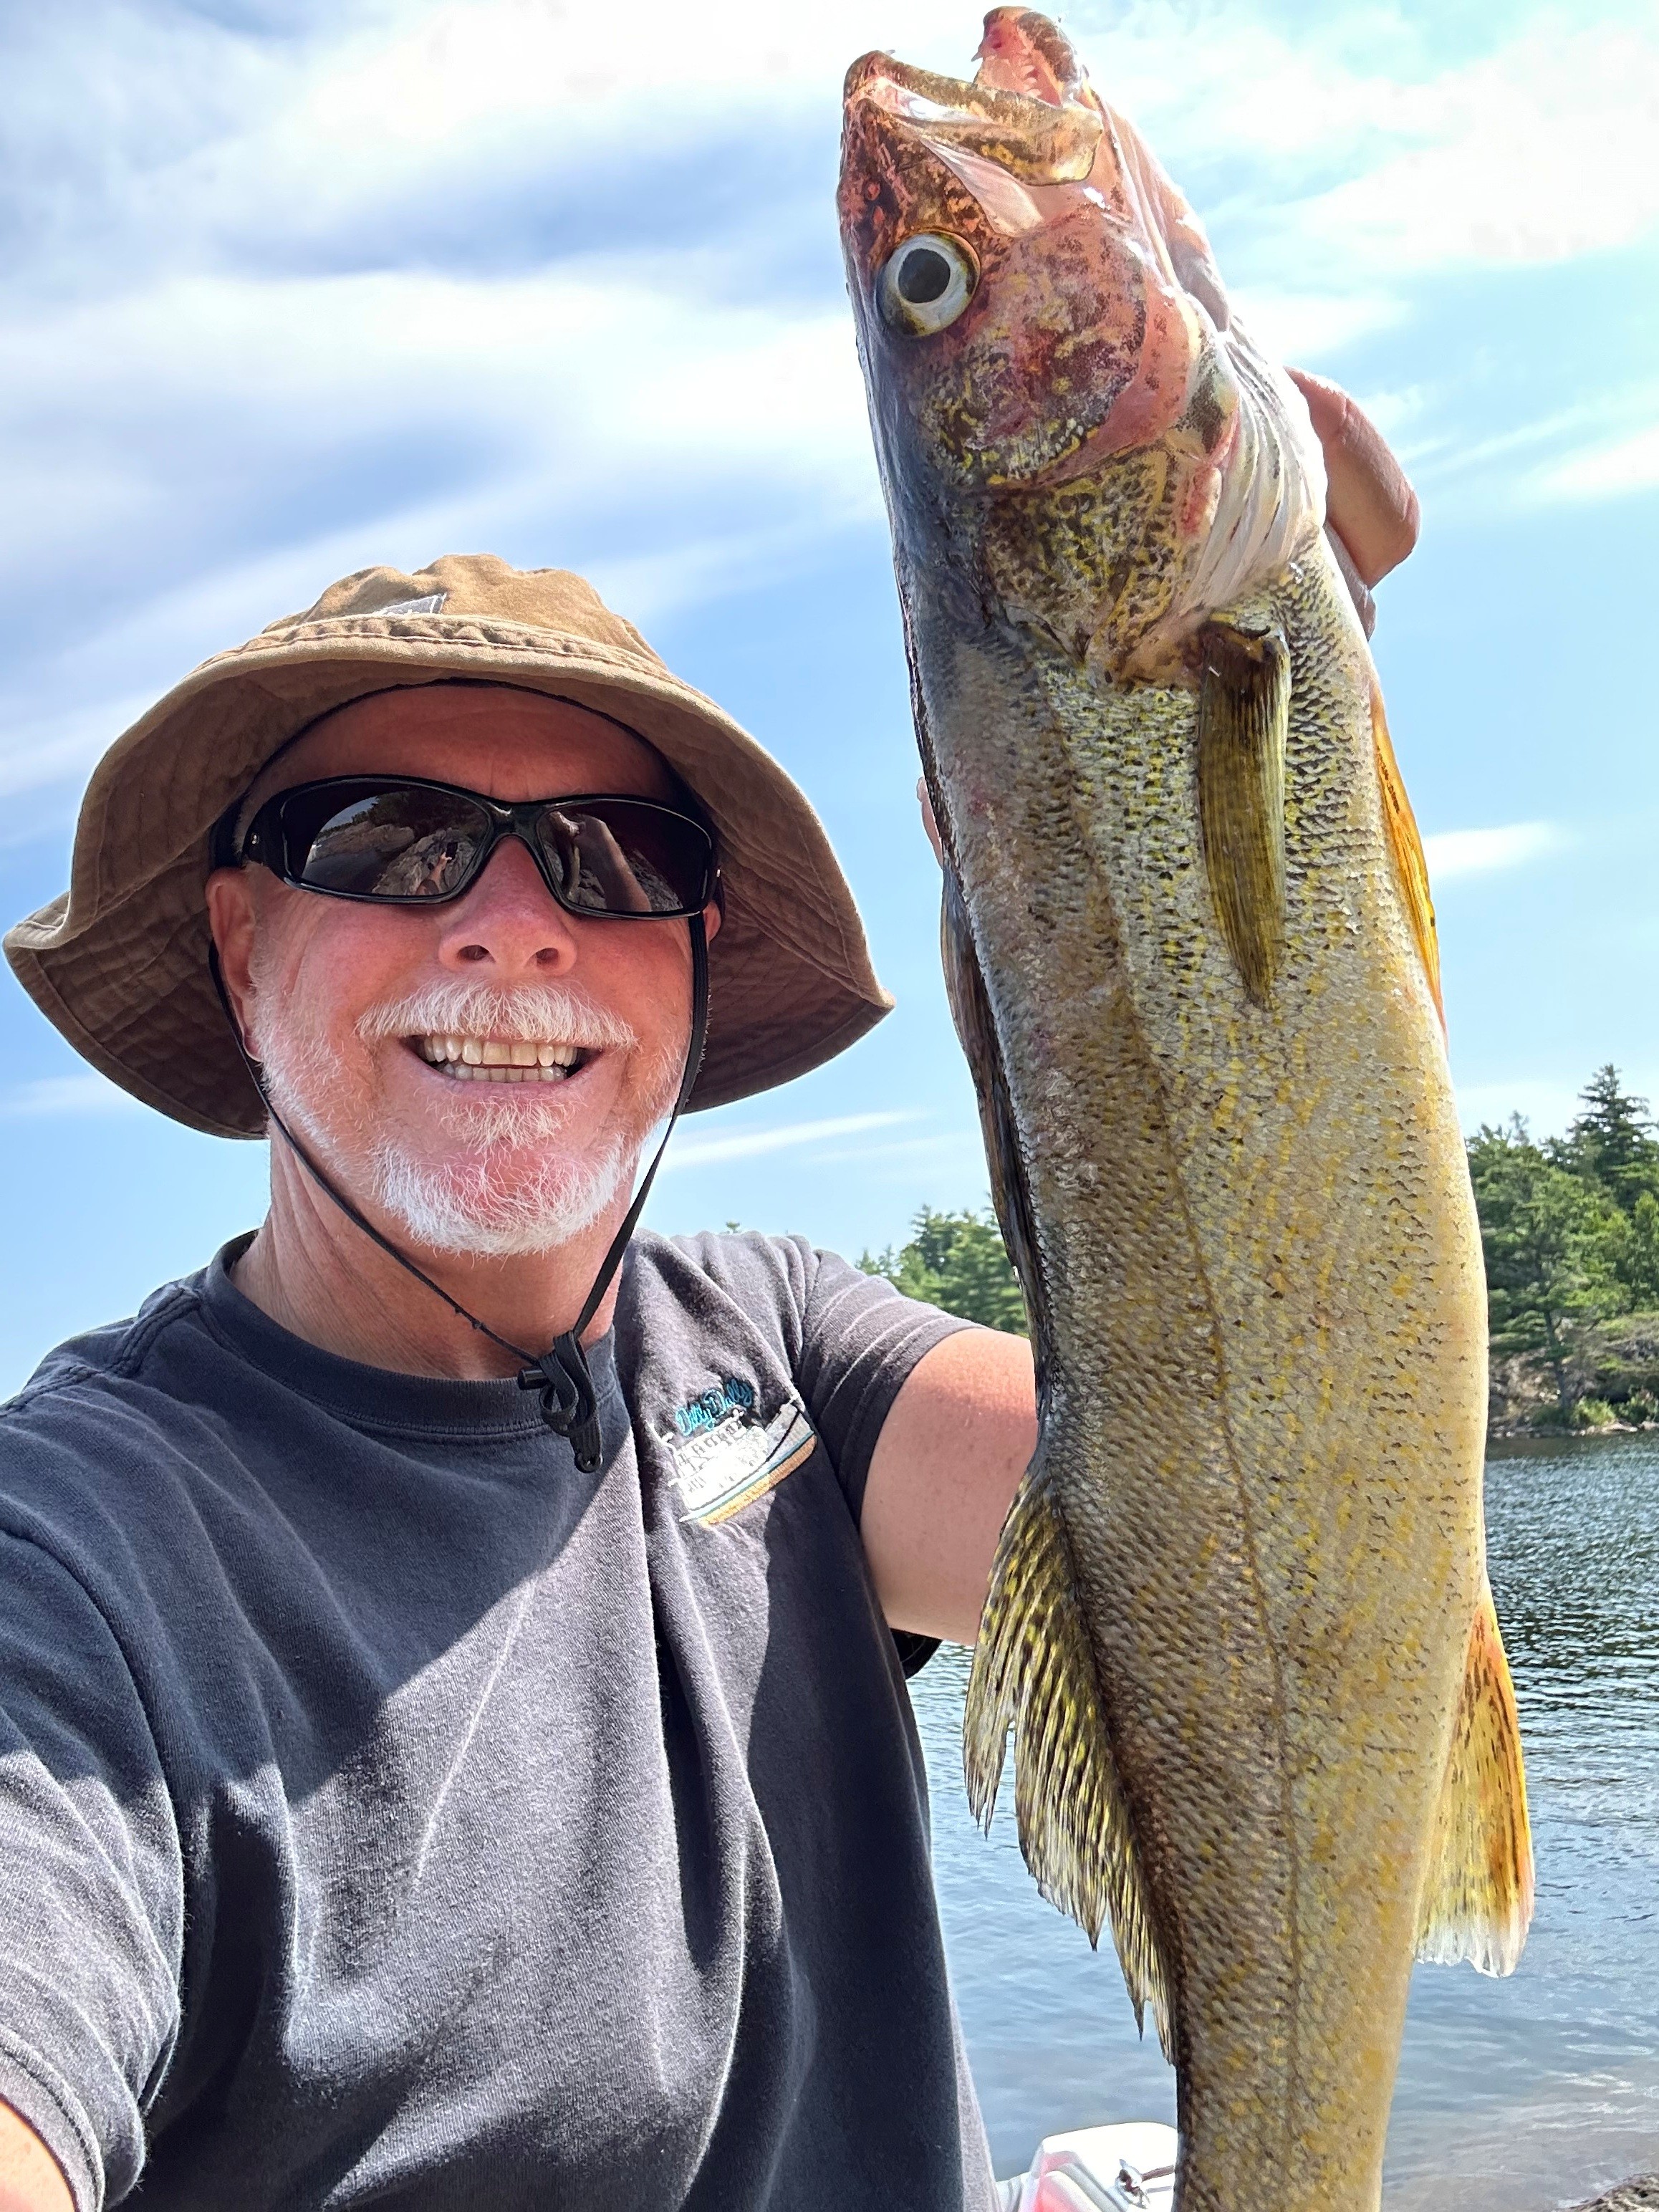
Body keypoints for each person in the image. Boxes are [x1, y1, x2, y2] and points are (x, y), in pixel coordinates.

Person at [0, 379, 1415, 2212]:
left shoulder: (778, 1350)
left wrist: (1282, 727)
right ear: (235, 935)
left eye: (616, 856)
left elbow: (1280, 1503)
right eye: (385, 838)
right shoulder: (76, 1557)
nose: (514, 919)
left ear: (694, 955)